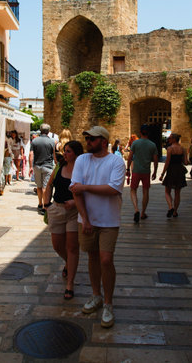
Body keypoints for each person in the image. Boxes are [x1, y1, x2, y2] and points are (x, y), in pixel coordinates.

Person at [70, 126, 126, 328]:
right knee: (92, 257)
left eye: (92, 139)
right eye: (87, 138)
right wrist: (84, 219)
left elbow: (113, 189)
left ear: (103, 141)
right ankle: (96, 295)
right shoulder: (82, 160)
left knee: (106, 259)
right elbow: (75, 191)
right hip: (87, 220)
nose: (88, 142)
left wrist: (85, 187)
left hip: (109, 220)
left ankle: (108, 303)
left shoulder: (116, 161)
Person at [44, 140, 84, 300]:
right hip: (57, 209)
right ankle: (69, 262)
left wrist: (75, 202)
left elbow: (87, 190)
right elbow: (49, 185)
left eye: (68, 151)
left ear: (76, 153)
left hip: (74, 212)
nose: (64, 153)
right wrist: (46, 204)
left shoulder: (82, 169)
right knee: (57, 245)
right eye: (65, 151)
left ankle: (70, 284)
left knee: (73, 247)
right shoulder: (60, 166)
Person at [126, 125, 158, 223]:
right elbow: (156, 160)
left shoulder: (135, 143)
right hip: (146, 172)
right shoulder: (152, 145)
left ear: (140, 132)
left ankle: (136, 209)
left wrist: (127, 169)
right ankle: (143, 213)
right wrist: (155, 172)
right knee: (145, 192)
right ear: (148, 133)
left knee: (133, 190)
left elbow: (130, 157)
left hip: (136, 171)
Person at [159, 133, 188, 218]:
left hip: (171, 170)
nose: (168, 139)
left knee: (167, 191)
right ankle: (175, 211)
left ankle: (170, 207)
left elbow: (167, 162)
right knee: (177, 193)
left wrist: (162, 174)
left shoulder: (170, 149)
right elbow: (186, 162)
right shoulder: (183, 149)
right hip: (180, 170)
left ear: (174, 139)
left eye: (170, 138)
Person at [29, 123, 56, 213]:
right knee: (46, 187)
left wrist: (30, 167)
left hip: (37, 166)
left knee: (39, 186)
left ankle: (40, 204)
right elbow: (54, 155)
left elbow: (31, 154)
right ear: (48, 131)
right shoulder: (52, 142)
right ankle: (45, 206)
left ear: (40, 130)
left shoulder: (35, 141)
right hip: (48, 166)